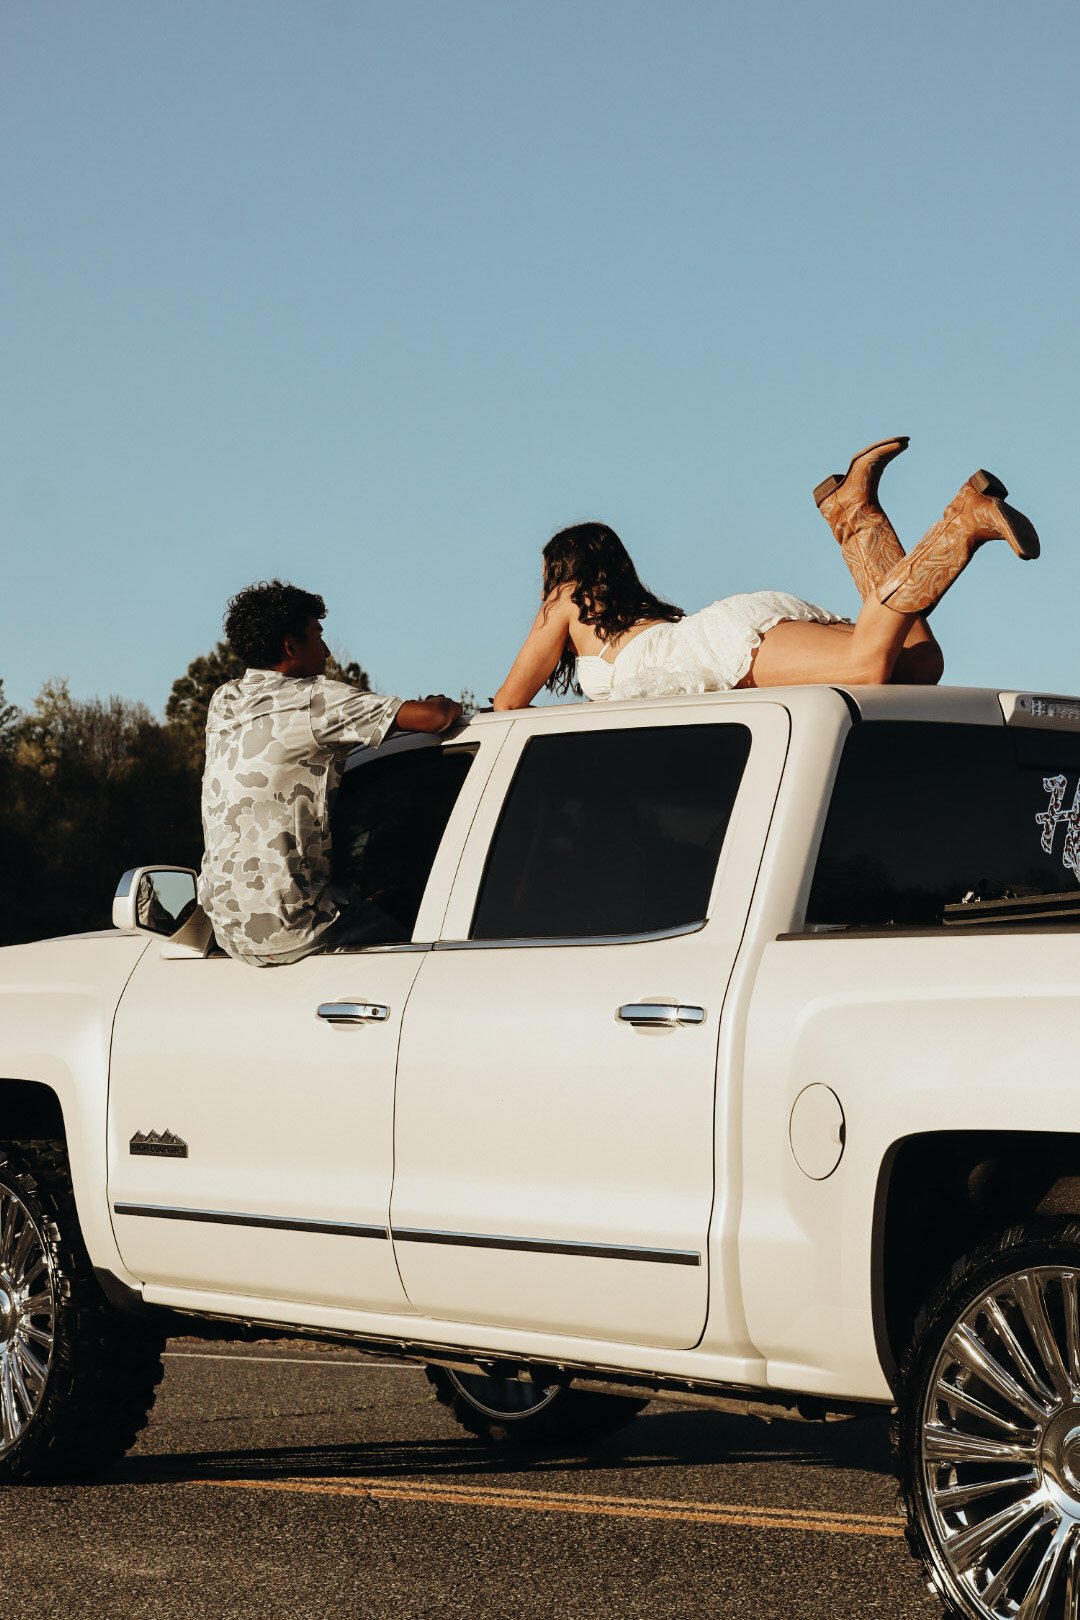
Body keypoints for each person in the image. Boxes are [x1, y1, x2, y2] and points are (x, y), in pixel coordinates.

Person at [492, 438, 1040, 708]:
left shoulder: (568, 598)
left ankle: (962, 521)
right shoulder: (637, 616)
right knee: (920, 665)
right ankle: (855, 515)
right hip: (728, 632)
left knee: (867, 666)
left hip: (722, 646)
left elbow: (510, 704)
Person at [199, 580, 461, 966]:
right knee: (427, 956)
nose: (326, 652)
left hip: (226, 929)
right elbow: (434, 718)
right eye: (318, 638)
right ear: (290, 647)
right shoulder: (313, 699)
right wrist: (442, 702)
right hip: (293, 928)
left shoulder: (224, 701)